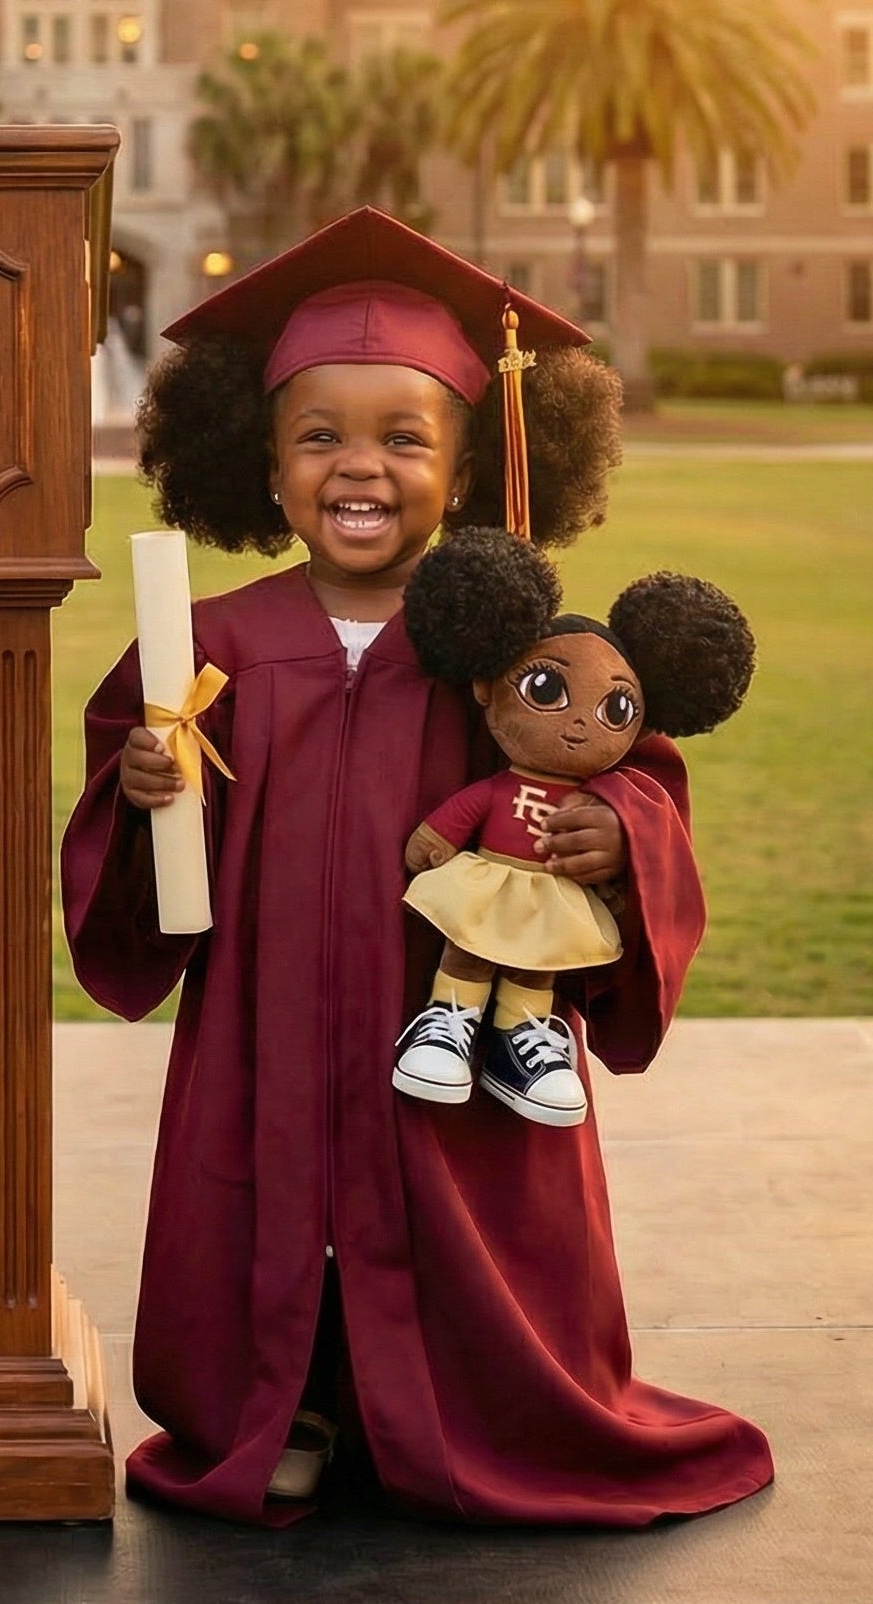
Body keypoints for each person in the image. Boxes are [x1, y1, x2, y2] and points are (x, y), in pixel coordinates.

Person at [60, 207, 773, 1527]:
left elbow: (631, 772)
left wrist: (613, 830)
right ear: (258, 462)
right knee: (274, 1201)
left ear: (470, 465)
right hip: (266, 1024)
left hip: (456, 1016)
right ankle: (292, 1400)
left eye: (404, 437)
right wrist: (142, 785)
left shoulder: (517, 651)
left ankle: (463, 1400)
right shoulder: (208, 643)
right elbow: (128, 856)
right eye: (317, 435)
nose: (359, 469)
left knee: (455, 1205)